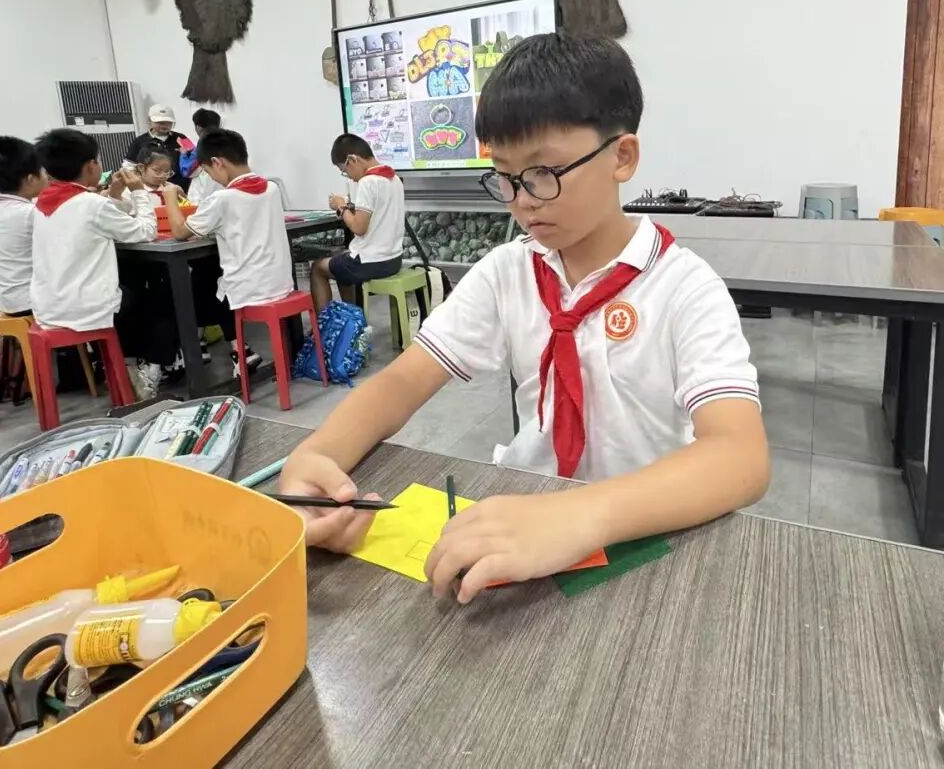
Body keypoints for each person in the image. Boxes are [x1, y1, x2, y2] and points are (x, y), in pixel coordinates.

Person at [279, 33, 769, 604]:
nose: (523, 200)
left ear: (622, 157)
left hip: (644, 534)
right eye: (505, 177)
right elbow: (403, 381)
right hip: (525, 521)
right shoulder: (507, 272)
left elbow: (740, 457)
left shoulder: (684, 287)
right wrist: (317, 456)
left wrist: (578, 516)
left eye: (543, 172)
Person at [31, 128, 176, 396]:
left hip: (48, 307)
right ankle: (151, 369)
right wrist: (138, 191)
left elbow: (103, 217)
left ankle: (128, 364)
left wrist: (115, 194)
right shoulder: (91, 204)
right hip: (87, 307)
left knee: (132, 279)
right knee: (167, 293)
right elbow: (146, 231)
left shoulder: (42, 204)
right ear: (90, 166)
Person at [163, 128, 294, 375]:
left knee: (192, 289)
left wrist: (170, 195)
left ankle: (192, 351)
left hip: (248, 290)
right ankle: (237, 350)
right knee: (206, 276)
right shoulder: (271, 189)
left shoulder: (222, 199)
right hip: (280, 282)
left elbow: (179, 231)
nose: (212, 178)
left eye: (208, 172)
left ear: (217, 163)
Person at [311, 133, 405, 311]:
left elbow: (358, 228)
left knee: (318, 268)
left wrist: (341, 207)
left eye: (345, 171)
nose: (350, 177)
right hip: (393, 259)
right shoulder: (394, 179)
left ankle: (328, 324)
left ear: (352, 160)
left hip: (370, 262)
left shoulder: (367, 182)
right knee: (340, 262)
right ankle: (353, 317)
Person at [0, 136, 48, 315]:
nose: (47, 176)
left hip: (9, 302)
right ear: (31, 179)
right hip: (31, 303)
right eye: (43, 170)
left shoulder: (1, 208)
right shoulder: (29, 213)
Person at [124, 104, 190, 192]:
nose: (164, 125)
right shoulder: (139, 141)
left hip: (180, 187)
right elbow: (129, 167)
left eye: (168, 122)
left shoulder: (182, 138)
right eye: (160, 122)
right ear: (149, 120)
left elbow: (195, 157)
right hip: (150, 190)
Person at [186, 108, 221, 206]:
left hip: (203, 192)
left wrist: (185, 155)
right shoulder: (230, 142)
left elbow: (190, 170)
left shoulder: (202, 145)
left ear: (198, 127)